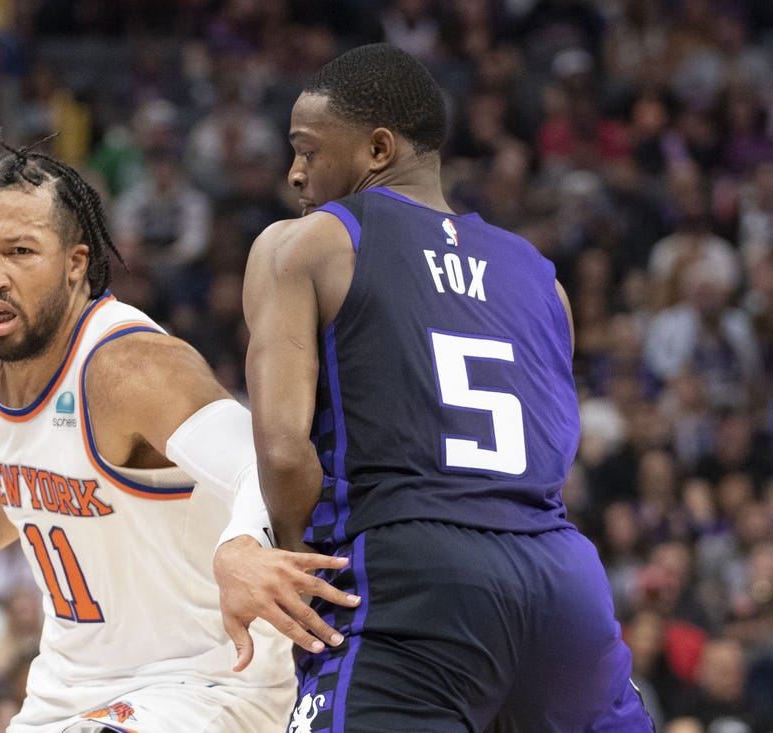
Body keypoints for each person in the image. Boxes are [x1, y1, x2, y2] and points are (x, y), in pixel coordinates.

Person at [229, 43, 656, 731]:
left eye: (307, 150)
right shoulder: (542, 279)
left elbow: (282, 448)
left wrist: (301, 564)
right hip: (560, 575)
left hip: (410, 568)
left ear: (376, 148)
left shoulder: (306, 245)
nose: (295, 173)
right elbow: (553, 444)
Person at [0, 145, 355, 732]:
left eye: (20, 251)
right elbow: (21, 477)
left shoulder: (129, 368)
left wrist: (243, 543)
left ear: (75, 262)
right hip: (63, 695)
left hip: (204, 685)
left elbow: (257, 460)